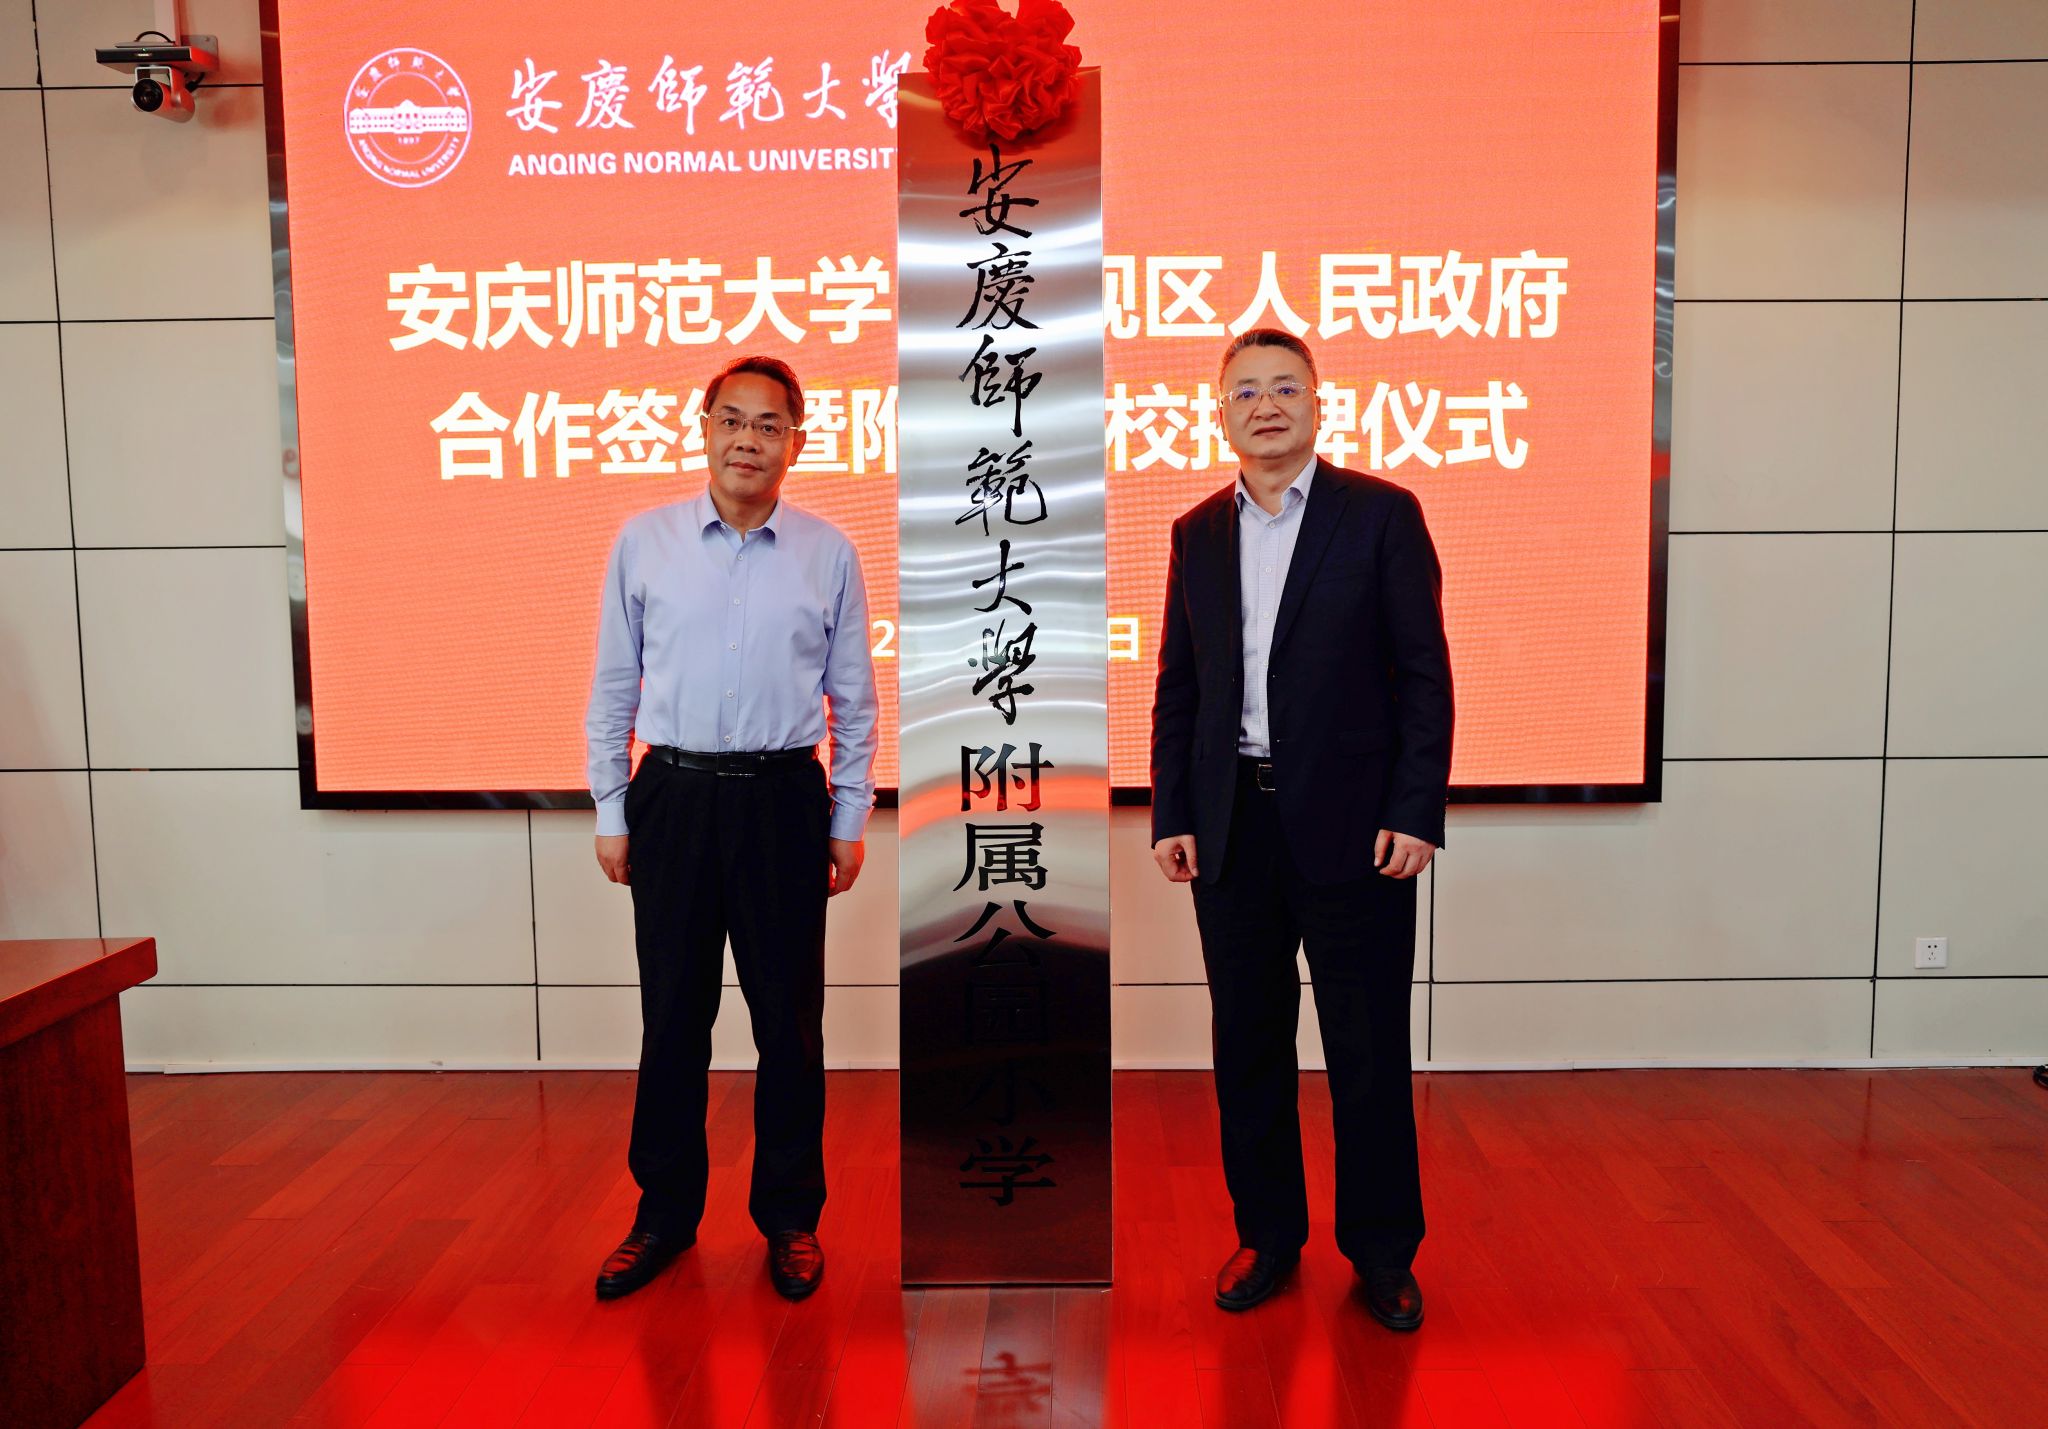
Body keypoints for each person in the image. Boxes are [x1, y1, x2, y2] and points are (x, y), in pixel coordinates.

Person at [1149, 329, 1453, 1329]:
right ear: (1220, 413)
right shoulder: (1196, 532)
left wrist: (1414, 810)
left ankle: (1381, 1250)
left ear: (1318, 405)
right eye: (1245, 391)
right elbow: (1180, 687)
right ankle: (1267, 1235)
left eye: (1285, 387)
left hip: (1357, 830)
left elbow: (1423, 676)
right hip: (1232, 825)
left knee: (1366, 1048)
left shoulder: (1381, 515)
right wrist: (1173, 810)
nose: (1266, 405)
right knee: (1247, 1043)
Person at [584, 355, 878, 1302]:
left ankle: (790, 1217)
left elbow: (854, 700)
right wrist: (611, 807)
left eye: (769, 424)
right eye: (732, 420)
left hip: (783, 800)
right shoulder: (645, 542)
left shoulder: (828, 553)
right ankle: (662, 1216)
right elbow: (614, 686)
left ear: (797, 440)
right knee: (674, 1016)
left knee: (789, 1023)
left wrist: (848, 816)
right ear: (704, 427)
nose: (748, 439)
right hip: (671, 794)